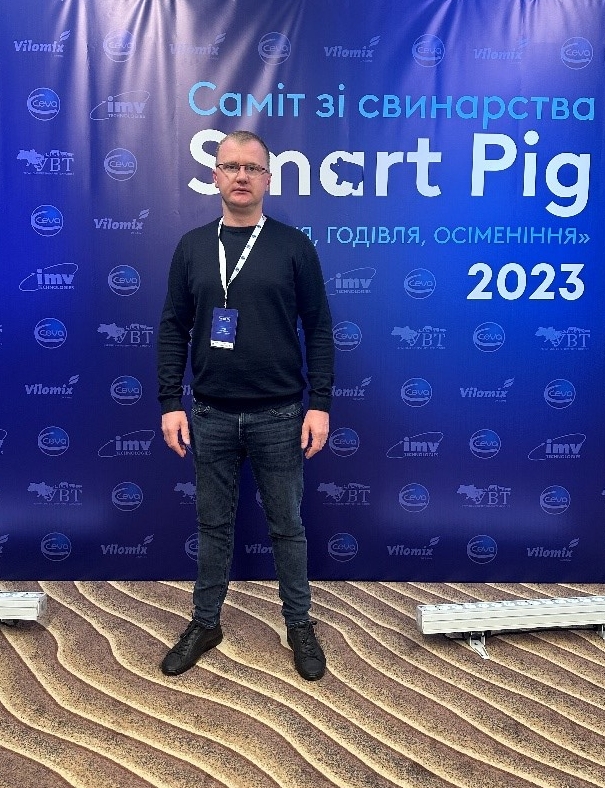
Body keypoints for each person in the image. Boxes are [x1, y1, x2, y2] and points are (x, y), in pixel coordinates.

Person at [157, 130, 334, 680]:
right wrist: (170, 401)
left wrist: (320, 403)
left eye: (252, 168)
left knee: (287, 527)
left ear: (268, 179)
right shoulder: (192, 246)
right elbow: (173, 327)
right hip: (209, 413)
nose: (241, 176)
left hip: (280, 414)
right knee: (213, 525)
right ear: (215, 176)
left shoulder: (294, 246)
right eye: (231, 166)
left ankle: (298, 624)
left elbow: (319, 329)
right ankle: (205, 622)